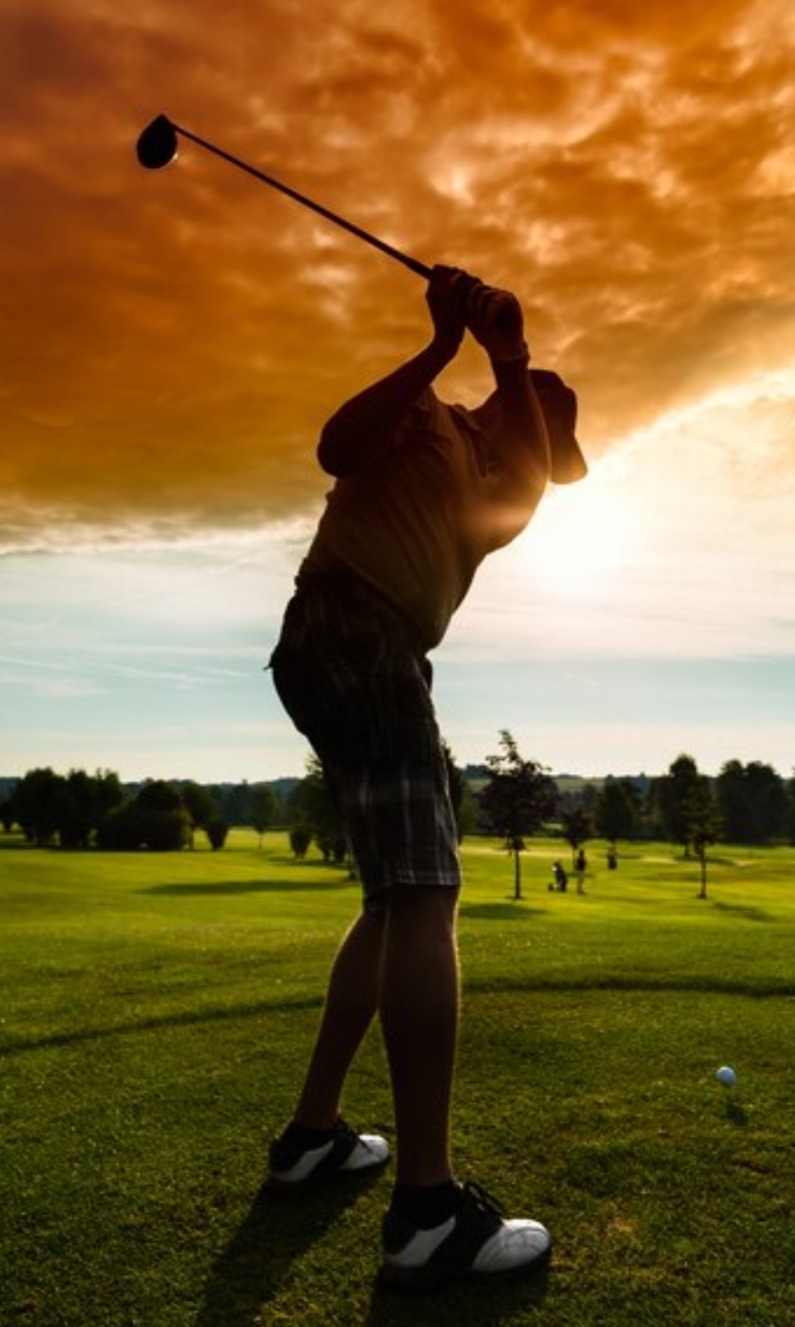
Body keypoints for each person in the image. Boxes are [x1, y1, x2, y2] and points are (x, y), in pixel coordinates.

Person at [266, 265, 587, 1291]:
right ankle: (426, 1208)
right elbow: (335, 445)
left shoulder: (501, 487)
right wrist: (444, 346)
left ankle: (315, 1134)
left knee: (392, 900)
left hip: (346, 647)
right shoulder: (431, 418)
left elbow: (538, 468)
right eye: (541, 413)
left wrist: (507, 356)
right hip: (355, 630)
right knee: (427, 893)